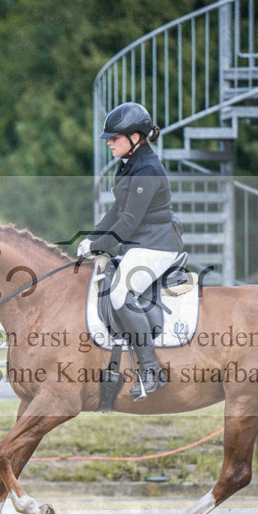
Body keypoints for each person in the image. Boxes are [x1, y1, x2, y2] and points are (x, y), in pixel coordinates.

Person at [77, 102, 184, 398]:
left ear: (135, 137)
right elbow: (115, 212)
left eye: (115, 137)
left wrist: (98, 245)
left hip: (158, 244)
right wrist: (90, 239)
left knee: (120, 293)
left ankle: (150, 369)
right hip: (142, 242)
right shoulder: (129, 165)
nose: (109, 142)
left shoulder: (147, 170)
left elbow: (128, 222)